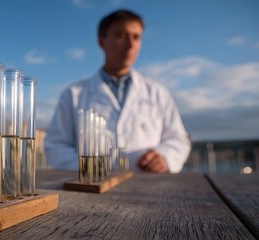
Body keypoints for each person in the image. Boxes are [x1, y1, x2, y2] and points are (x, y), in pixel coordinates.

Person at [44, 9, 191, 173]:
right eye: (121, 36)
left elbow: (179, 139)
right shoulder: (74, 94)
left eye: (136, 37)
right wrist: (88, 168)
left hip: (150, 189)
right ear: (101, 41)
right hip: (89, 193)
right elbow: (56, 145)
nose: (130, 44)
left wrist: (165, 157)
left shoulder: (157, 93)